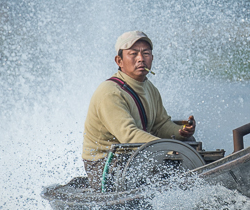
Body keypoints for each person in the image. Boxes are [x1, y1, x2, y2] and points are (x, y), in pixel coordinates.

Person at [82, 30, 196, 188]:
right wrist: (169, 149)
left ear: (152, 58)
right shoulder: (110, 92)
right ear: (119, 61)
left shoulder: (150, 88)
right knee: (171, 160)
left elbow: (160, 125)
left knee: (188, 142)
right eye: (133, 54)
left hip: (133, 156)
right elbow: (129, 136)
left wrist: (180, 132)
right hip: (106, 165)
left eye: (146, 53)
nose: (141, 59)